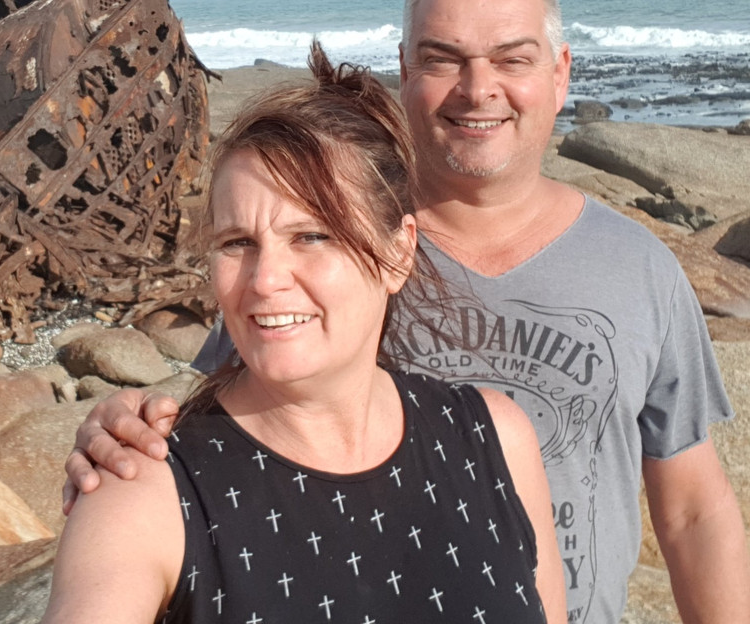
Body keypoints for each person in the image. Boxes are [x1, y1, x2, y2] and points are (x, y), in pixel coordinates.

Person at [64, 0, 750, 623]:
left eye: (512, 58)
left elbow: (692, 510)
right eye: (442, 59)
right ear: (404, 70)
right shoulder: (320, 259)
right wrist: (123, 432)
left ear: (561, 72)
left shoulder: (641, 269)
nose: (478, 88)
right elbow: (231, 418)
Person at [43, 44, 566, 623]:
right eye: (237, 242)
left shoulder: (493, 439)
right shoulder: (144, 487)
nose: (265, 281)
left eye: (312, 236)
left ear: (398, 254)